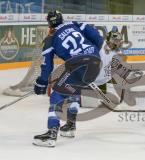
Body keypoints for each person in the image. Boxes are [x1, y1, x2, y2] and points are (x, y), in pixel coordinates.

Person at [33, 10, 104, 147]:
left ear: (49, 24)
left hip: (78, 66)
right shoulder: (74, 24)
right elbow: (98, 39)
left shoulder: (50, 39)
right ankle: (70, 125)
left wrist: (41, 84)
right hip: (95, 62)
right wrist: (90, 54)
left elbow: (46, 67)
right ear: (62, 19)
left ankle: (51, 132)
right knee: (73, 88)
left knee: (56, 95)